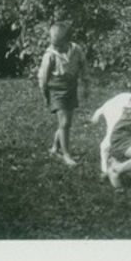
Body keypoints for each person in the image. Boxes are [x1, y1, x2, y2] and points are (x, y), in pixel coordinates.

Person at [37, 21, 88, 167]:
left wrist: (86, 84)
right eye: (54, 45)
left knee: (66, 123)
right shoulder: (50, 55)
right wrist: (45, 95)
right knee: (65, 123)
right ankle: (66, 155)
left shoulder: (76, 50)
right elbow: (43, 78)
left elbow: (83, 66)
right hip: (56, 89)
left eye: (60, 46)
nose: (56, 48)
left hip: (71, 88)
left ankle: (55, 148)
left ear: (68, 41)